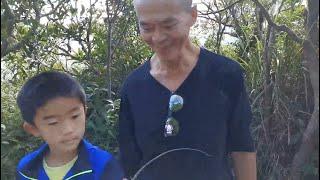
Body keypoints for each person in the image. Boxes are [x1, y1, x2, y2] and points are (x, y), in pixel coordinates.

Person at [118, 0, 257, 179]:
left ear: (193, 15)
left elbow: (242, 147)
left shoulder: (226, 75)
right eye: (147, 28)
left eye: (168, 25)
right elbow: (128, 162)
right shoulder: (133, 87)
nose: (158, 37)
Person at [16, 71, 124, 180]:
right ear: (33, 128)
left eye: (75, 116)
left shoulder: (103, 164)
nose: (68, 129)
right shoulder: (26, 169)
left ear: (85, 112)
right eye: (53, 122)